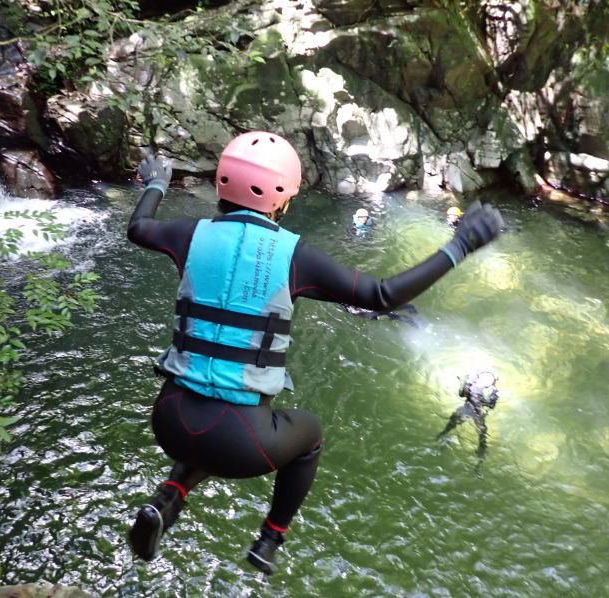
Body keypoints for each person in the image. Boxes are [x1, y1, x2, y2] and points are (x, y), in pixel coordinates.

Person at [125, 131, 504, 575]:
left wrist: (156, 182)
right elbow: (382, 295)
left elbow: (138, 228)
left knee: (208, 415)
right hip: (240, 443)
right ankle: (270, 539)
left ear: (222, 183)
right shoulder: (293, 255)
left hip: (170, 419)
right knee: (309, 435)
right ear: (283, 200)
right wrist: (460, 245)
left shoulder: (188, 234)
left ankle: (167, 500)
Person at [436, 369, 500, 463]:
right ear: (478, 378)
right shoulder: (471, 385)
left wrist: (490, 398)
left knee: (482, 431)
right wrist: (464, 385)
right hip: (467, 409)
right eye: (484, 377)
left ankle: (481, 450)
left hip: (479, 414)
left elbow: (492, 406)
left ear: (493, 382)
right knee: (453, 419)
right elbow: (462, 394)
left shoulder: (492, 392)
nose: (486, 380)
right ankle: (443, 433)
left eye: (489, 379)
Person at [338, 302, 422, 328]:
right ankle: (419, 328)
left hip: (376, 308)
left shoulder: (350, 302)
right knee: (399, 317)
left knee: (409, 307)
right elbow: (361, 313)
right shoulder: (349, 308)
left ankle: (418, 320)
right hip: (375, 314)